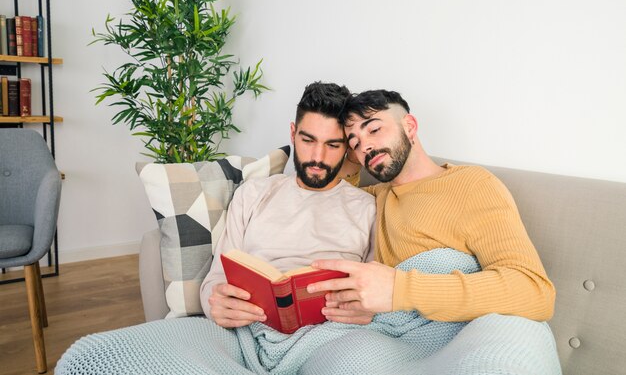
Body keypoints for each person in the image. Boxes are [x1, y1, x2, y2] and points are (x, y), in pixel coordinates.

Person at [309, 89, 556, 323]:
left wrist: (399, 289)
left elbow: (533, 290)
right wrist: (350, 156)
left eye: (374, 129)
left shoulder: (471, 184)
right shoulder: (376, 196)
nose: (365, 147)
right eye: (355, 144)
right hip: (391, 333)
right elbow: (327, 197)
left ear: (409, 126)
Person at [200, 82, 376, 328]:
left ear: (347, 146)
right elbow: (216, 278)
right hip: (252, 328)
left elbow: (378, 290)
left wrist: (369, 311)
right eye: (308, 140)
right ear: (293, 134)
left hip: (334, 334)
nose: (317, 157)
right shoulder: (253, 194)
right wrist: (215, 303)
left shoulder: (368, 208)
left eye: (332, 145)